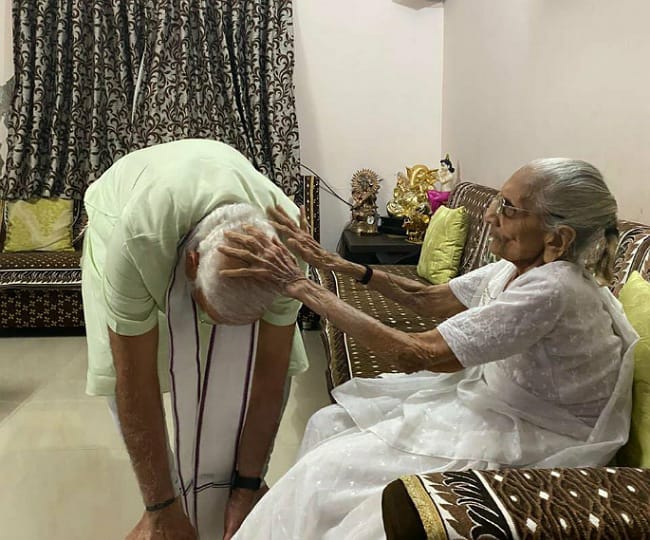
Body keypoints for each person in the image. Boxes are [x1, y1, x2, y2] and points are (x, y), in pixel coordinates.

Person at [219, 158, 637, 539]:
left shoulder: (554, 288)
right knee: (329, 423)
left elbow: (417, 354)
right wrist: (335, 265)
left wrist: (300, 285)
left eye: (508, 209)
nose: (491, 216)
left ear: (558, 239)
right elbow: (429, 299)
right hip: (497, 403)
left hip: (537, 435)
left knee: (327, 475)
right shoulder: (520, 265)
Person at [81, 139, 308, 540]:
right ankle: (158, 515)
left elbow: (271, 374)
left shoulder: (287, 243)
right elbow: (134, 383)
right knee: (124, 369)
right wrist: (162, 507)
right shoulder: (136, 241)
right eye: (213, 316)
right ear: (191, 264)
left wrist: (247, 485)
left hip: (196, 218)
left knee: (278, 356)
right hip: (121, 212)